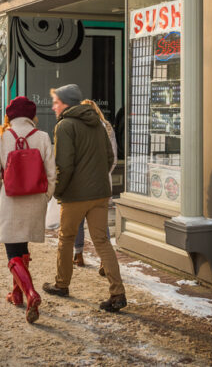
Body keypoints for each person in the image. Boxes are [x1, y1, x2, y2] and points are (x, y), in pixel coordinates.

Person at [42, 84, 127, 313]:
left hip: (76, 195)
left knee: (66, 238)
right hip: (100, 193)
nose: (53, 106)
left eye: (56, 102)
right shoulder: (99, 124)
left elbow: (64, 165)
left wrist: (58, 191)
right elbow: (110, 157)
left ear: (67, 103)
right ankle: (117, 293)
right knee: (102, 241)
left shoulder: (65, 126)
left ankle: (62, 284)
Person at [0, 96, 56, 324]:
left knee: (12, 252)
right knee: (22, 248)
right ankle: (16, 294)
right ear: (31, 115)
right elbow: (51, 173)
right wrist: (45, 197)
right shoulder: (43, 137)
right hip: (35, 200)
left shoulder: (1, 136)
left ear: (10, 115)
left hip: (11, 199)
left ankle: (30, 293)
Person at [73, 99, 116, 272]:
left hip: (81, 183)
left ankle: (78, 254)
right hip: (102, 183)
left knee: (78, 219)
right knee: (101, 222)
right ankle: (104, 260)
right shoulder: (107, 128)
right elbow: (112, 157)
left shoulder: (77, 128)